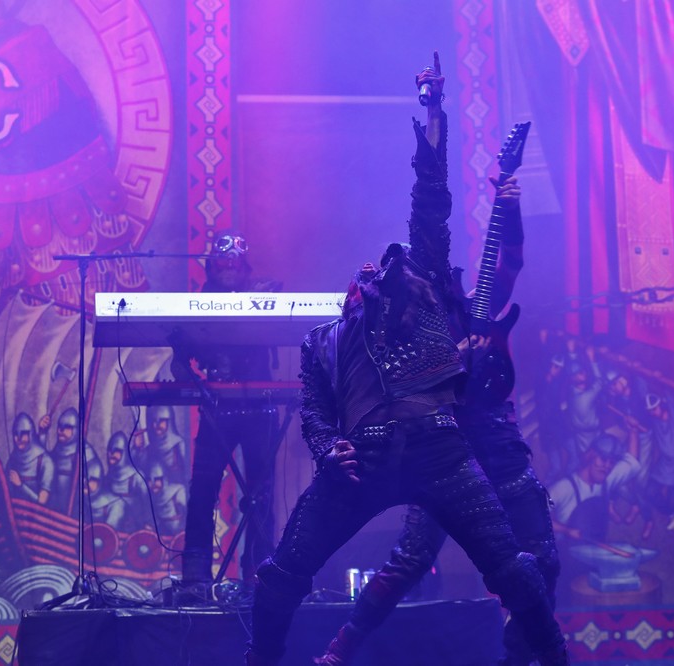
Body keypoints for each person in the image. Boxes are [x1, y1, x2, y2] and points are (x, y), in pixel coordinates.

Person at [244, 54, 569, 666]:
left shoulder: (418, 296)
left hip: (442, 448)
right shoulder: (323, 341)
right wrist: (327, 450)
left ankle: (550, 658)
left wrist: (434, 113)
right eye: (362, 274)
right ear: (348, 294)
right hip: (362, 462)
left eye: (383, 270)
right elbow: (313, 412)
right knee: (284, 574)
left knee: (517, 569)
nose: (373, 270)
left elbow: (432, 205)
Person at [315, 170, 559, 665]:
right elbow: (387, 380)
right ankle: (339, 651)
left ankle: (520, 657)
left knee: (542, 559)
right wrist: (450, 355)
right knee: (410, 559)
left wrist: (510, 211)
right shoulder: (396, 329)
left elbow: (509, 263)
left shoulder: (471, 308)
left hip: (498, 443)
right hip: (444, 451)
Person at [171, 234, 283, 600]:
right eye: (222, 263)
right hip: (217, 407)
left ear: (244, 267)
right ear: (212, 268)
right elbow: (179, 362)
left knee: (261, 493)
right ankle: (195, 579)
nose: (229, 268)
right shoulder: (199, 304)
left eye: (235, 263)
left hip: (260, 407)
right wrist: (186, 369)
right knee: (203, 490)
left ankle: (259, 574)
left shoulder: (264, 293)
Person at [6, 412, 54, 506]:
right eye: (16, 434)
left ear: (31, 434)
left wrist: (20, 486)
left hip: (36, 515)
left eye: (23, 433)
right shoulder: (12, 460)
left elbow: (42, 502)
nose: (18, 438)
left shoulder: (46, 462)